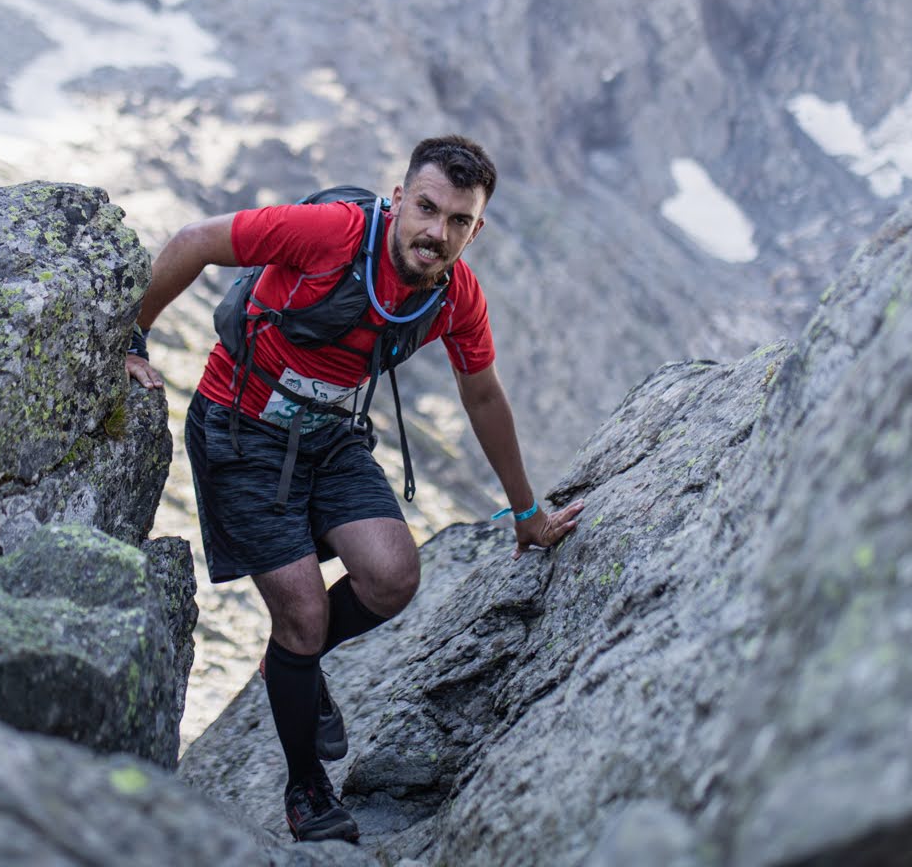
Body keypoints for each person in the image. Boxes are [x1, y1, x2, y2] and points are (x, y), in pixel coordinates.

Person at [125, 135, 584, 843]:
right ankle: (307, 791)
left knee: (393, 577)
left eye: (458, 221)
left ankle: (294, 664)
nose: (437, 233)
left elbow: (484, 396)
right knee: (304, 613)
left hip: (331, 440)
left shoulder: (457, 295)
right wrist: (134, 336)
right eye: (427, 209)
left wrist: (528, 512)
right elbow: (197, 240)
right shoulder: (331, 235)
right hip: (241, 428)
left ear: (476, 229)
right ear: (399, 199)